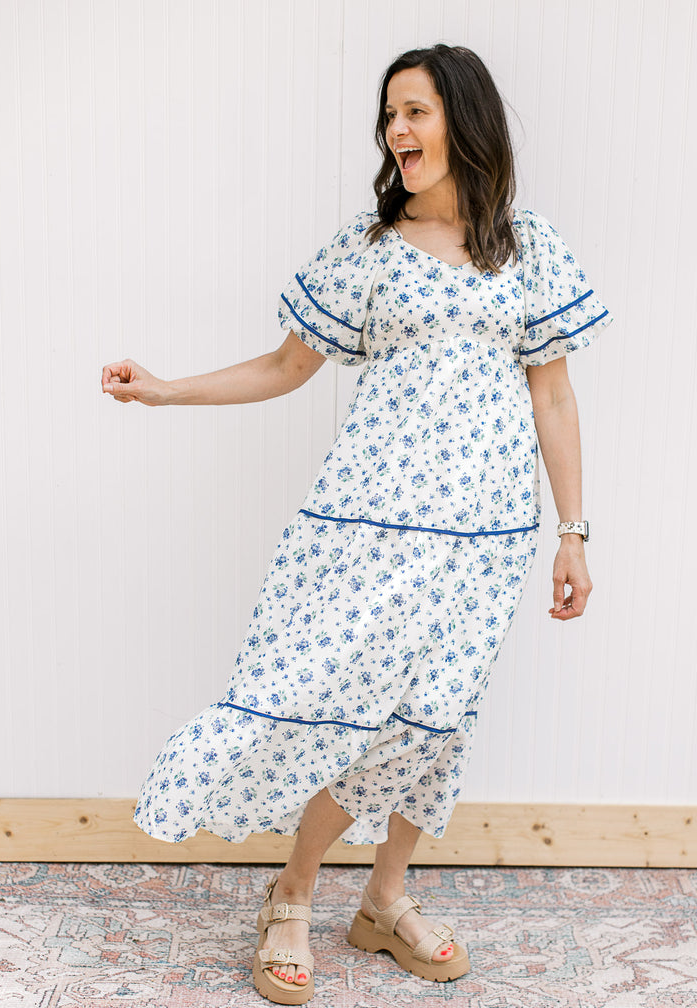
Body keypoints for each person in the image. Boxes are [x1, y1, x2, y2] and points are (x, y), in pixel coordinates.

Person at [102, 43, 612, 1006]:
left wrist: (574, 532)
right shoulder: (367, 250)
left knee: (437, 720)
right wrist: (166, 393)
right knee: (353, 707)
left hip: (491, 534)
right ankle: (292, 893)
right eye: (390, 117)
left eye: (414, 112)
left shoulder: (527, 246)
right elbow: (284, 367)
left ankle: (383, 902)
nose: (397, 132)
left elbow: (554, 396)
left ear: (464, 120)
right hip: (376, 529)